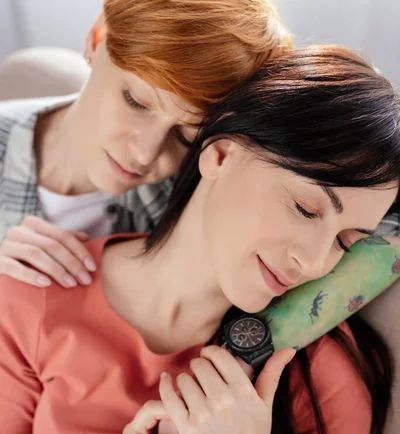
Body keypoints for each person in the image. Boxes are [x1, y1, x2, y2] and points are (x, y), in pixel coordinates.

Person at [0, 45, 399, 434]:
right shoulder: (39, 291)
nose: (313, 260)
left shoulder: (320, 373)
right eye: (307, 209)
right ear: (219, 155)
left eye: (344, 242)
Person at [0, 0, 291, 287]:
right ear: (97, 38)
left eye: (184, 137)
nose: (144, 154)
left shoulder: (186, 210)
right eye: (136, 102)